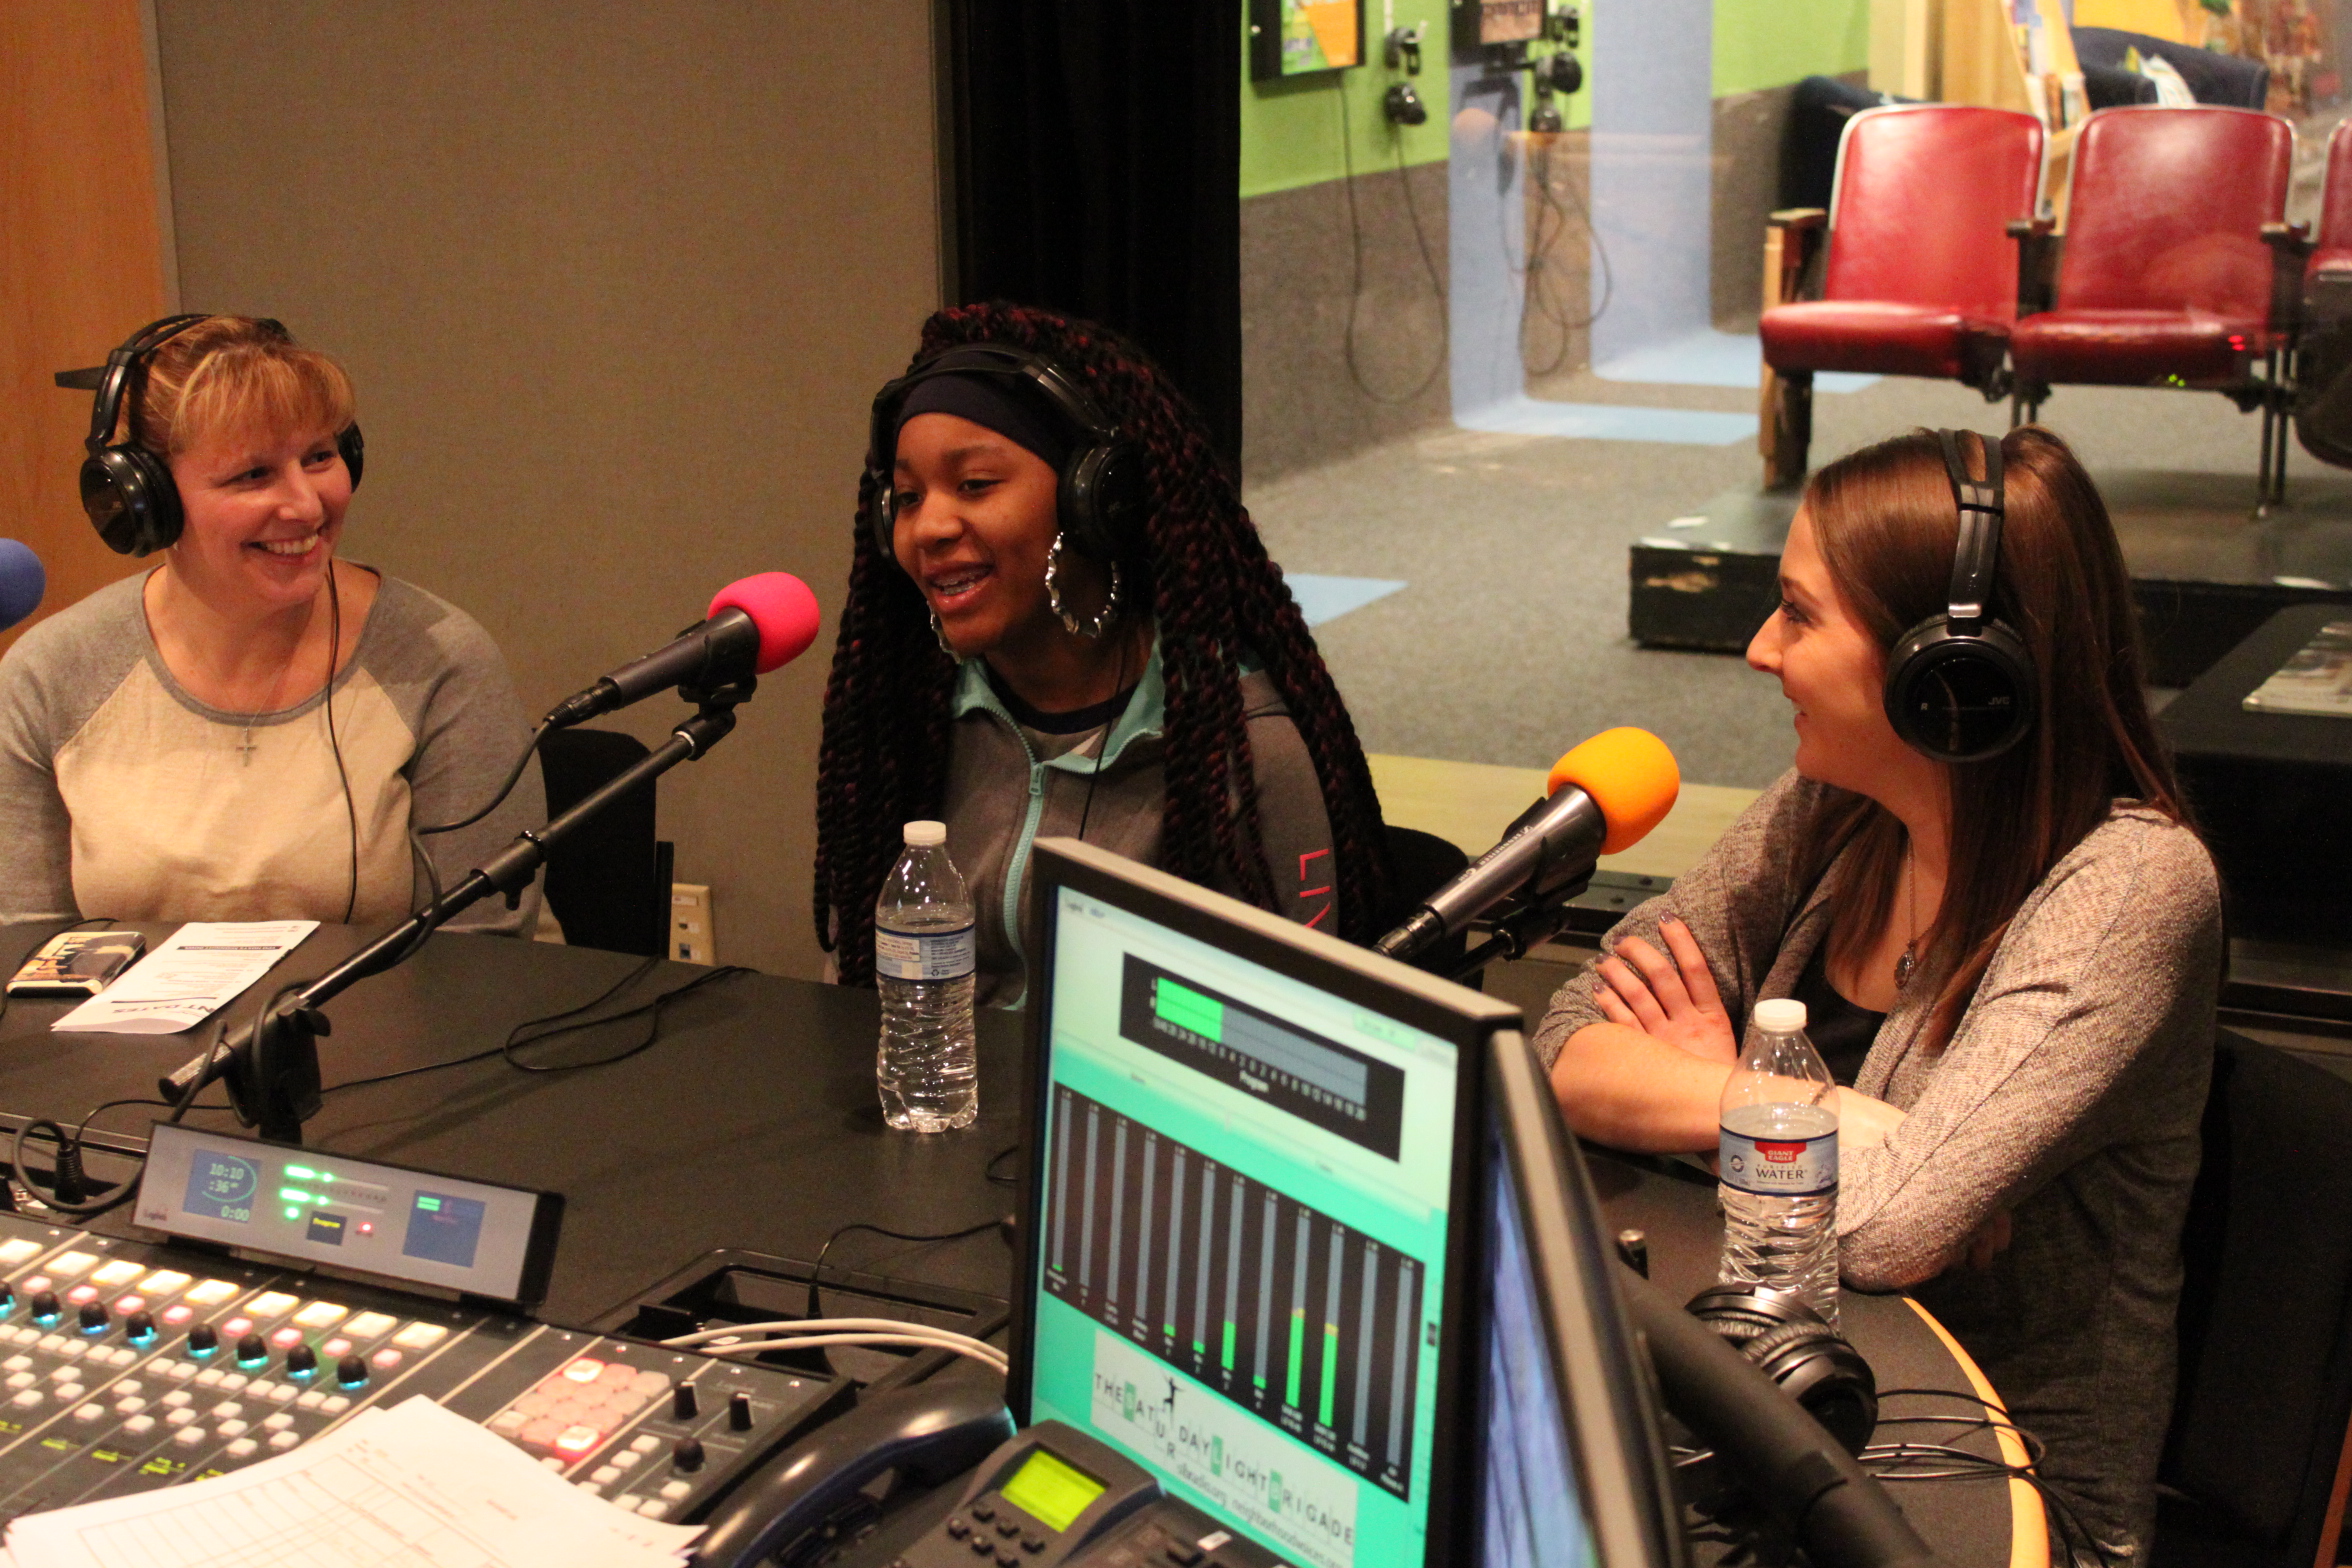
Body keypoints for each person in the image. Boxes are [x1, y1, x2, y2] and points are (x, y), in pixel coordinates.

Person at [1536, 427, 2219, 1560]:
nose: (1760, 649)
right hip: (1778, 1427)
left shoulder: (2134, 886)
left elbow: (1901, 1222)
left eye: (1799, 614)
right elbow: (1568, 1038)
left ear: (1948, 668)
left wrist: (1718, 1092)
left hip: (1996, 1503)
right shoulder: (1835, 806)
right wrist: (1790, 1107)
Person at [814, 302, 1389, 1006]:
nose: (928, 527)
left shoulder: (1239, 749)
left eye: (975, 485)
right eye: (906, 497)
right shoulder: (904, 725)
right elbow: (857, 997)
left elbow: (1293, 1043)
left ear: (1097, 500)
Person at [0, 315, 542, 934]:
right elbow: (21, 949)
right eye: (253, 475)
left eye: (319, 457)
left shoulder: (437, 658)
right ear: (145, 499)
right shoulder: (51, 672)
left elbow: (482, 955)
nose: (307, 505)